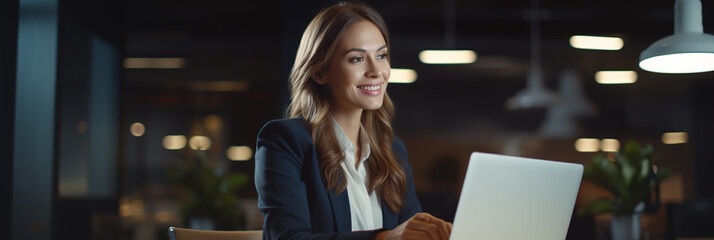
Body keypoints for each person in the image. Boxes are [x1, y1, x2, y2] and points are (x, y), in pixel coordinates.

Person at [254, 2, 452, 239]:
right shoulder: (285, 141)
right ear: (319, 72)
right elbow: (288, 238)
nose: (376, 71)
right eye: (357, 59)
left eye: (381, 55)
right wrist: (383, 238)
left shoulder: (392, 150)